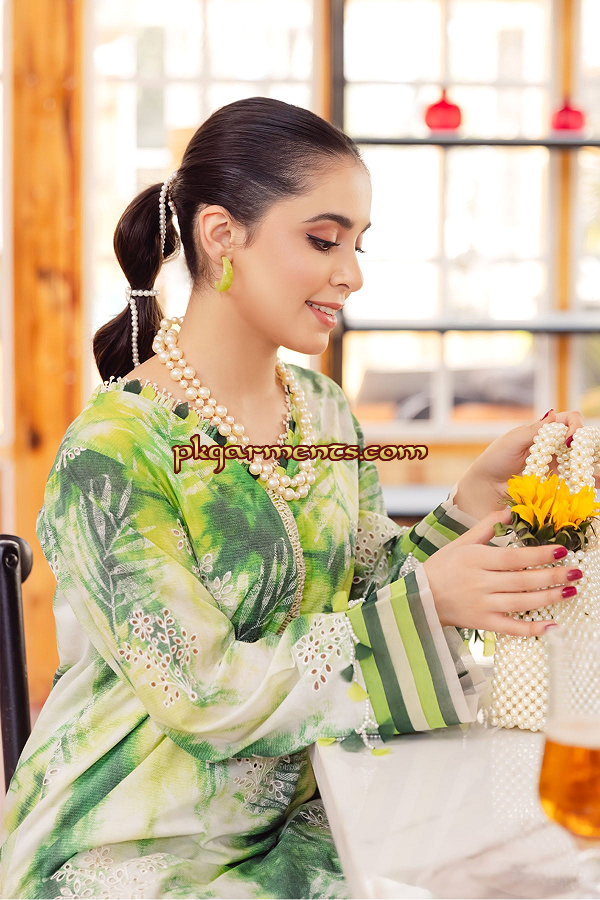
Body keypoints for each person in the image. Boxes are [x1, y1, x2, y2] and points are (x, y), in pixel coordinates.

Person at [0, 96, 584, 900]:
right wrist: (428, 607)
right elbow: (201, 696)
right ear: (221, 235)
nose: (352, 273)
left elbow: (366, 596)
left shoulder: (323, 411)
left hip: (308, 814)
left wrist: (470, 502)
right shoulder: (112, 454)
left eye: (357, 243)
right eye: (323, 239)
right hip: (135, 846)